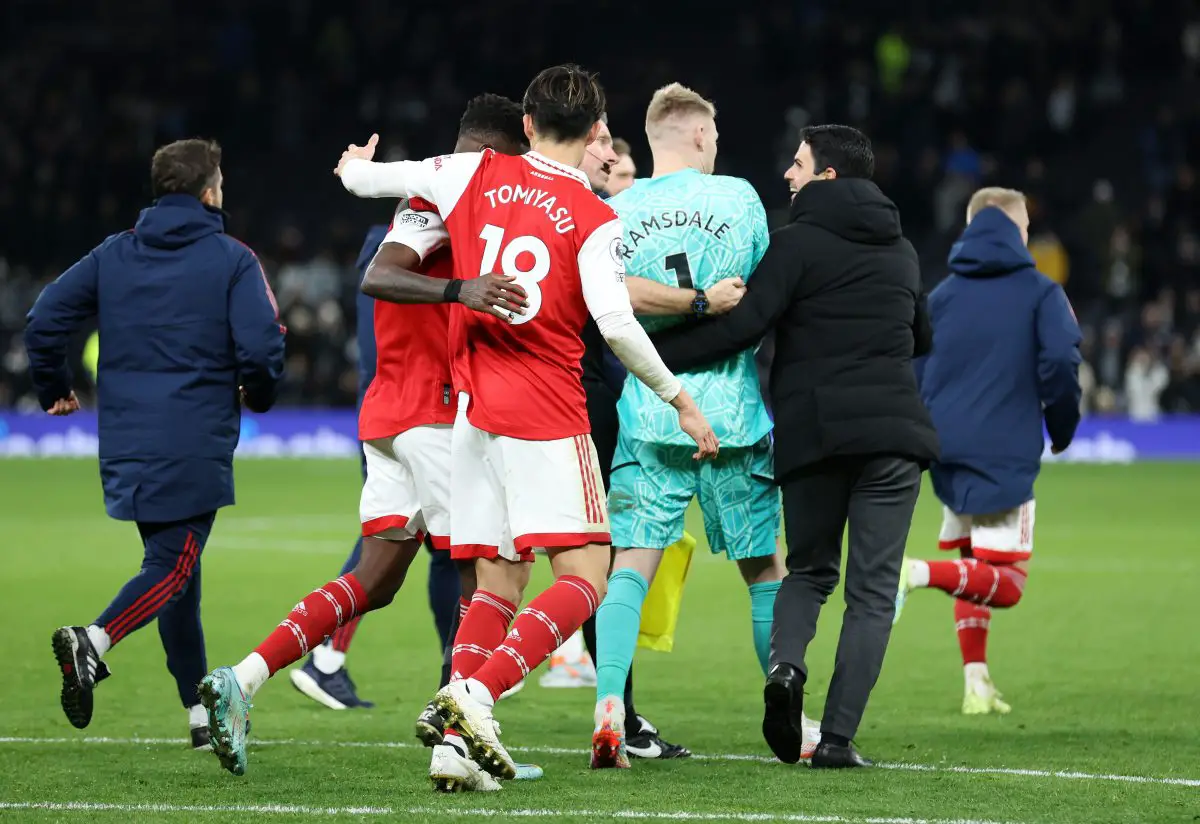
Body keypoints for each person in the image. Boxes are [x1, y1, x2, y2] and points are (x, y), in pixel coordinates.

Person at [336, 63, 718, 782]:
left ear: (526, 124)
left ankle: (454, 755)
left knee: (497, 582)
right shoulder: (595, 215)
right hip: (545, 409)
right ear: (597, 130)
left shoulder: (468, 173)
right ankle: (472, 695)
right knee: (587, 577)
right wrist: (678, 398)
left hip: (472, 414)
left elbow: (366, 182)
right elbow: (615, 326)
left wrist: (355, 164)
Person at [198, 96, 532, 781]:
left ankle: (244, 676)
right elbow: (379, 274)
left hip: (387, 415)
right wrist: (463, 291)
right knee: (486, 572)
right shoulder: (453, 200)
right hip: (432, 415)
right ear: (496, 154)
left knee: (374, 580)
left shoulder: (418, 198)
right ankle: (456, 745)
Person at [649, 125, 939, 768]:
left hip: (815, 433)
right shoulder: (903, 251)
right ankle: (835, 740)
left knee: (808, 573)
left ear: (828, 176)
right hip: (894, 436)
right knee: (872, 593)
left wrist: (652, 356)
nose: (787, 173)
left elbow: (744, 328)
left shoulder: (795, 245)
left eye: (799, 164)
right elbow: (921, 336)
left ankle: (785, 671)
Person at [24, 139, 285, 749]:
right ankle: (93, 641)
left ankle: (200, 717)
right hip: (193, 440)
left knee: (177, 578)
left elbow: (43, 320)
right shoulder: (231, 259)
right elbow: (264, 347)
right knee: (172, 567)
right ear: (210, 193)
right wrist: (262, 395)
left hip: (124, 443)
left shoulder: (114, 254)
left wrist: (53, 386)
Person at [589, 82, 798, 769]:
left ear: (651, 140)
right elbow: (766, 297)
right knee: (765, 568)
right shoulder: (737, 198)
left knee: (631, 569)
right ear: (703, 137)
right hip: (734, 410)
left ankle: (610, 706)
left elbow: (605, 303)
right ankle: (785, 698)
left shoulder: (618, 208)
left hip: (651, 408)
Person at [540, 115, 697, 762]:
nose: (615, 163)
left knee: (505, 565)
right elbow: (617, 309)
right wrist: (696, 302)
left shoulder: (555, 212)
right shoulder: (588, 221)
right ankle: (618, 711)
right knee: (599, 560)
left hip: (536, 401)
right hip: (579, 401)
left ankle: (463, 701)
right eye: (605, 149)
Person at [894, 187, 1081, 715]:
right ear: (1017, 232)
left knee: (974, 561)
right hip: (1003, 452)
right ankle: (915, 573)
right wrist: (1061, 427)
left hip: (945, 448)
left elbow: (914, 367)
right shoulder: (1041, 293)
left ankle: (976, 681)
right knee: (1010, 583)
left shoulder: (942, 295)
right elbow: (1062, 362)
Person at [287, 225, 460, 712]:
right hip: (416, 409)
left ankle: (314, 662)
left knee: (399, 544)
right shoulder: (420, 242)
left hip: (386, 406)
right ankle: (455, 678)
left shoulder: (384, 244)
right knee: (440, 550)